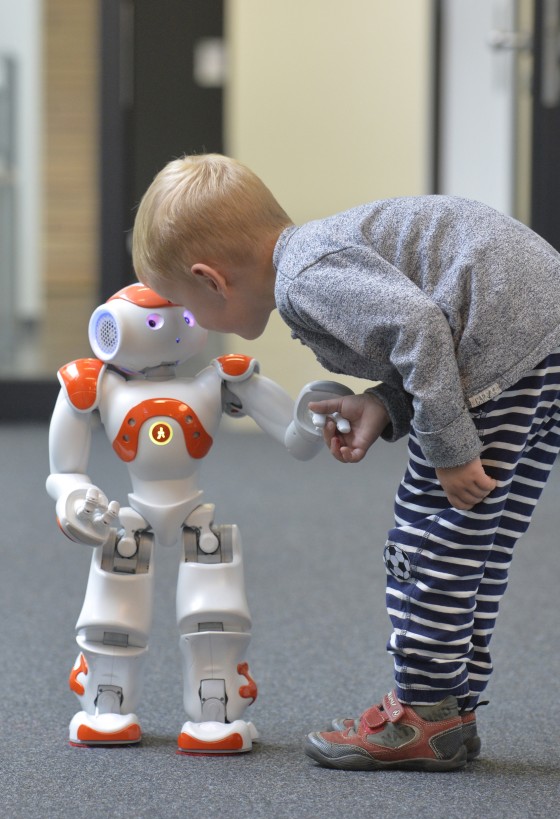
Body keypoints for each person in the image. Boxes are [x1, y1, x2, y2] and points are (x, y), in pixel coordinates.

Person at [132, 152, 560, 772]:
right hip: (536, 344)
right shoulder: (322, 249)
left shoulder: (304, 279)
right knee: (478, 543)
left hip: (500, 348)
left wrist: (449, 449)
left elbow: (417, 328)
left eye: (190, 308)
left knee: (429, 539)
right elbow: (427, 326)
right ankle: (450, 709)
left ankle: (422, 712)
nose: (197, 323)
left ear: (212, 280)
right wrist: (384, 403)